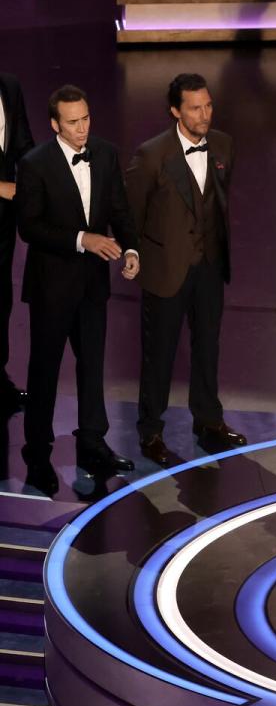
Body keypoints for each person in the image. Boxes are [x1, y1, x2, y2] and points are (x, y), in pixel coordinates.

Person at [16, 85, 139, 474]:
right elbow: (29, 227)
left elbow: (119, 210)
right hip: (51, 287)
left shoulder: (105, 154)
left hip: (91, 286)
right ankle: (37, 450)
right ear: (55, 124)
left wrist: (132, 250)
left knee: (92, 366)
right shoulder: (35, 163)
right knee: (45, 368)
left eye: (86, 118)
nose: (82, 128)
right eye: (73, 122)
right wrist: (83, 239)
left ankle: (92, 443)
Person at [126, 73, 246, 464]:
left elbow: (217, 201)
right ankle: (150, 433)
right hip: (167, 269)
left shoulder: (224, 144)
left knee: (207, 347)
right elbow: (131, 213)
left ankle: (209, 421)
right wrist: (137, 254)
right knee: (159, 355)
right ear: (176, 111)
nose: (205, 114)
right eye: (195, 107)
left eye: (208, 104)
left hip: (209, 265)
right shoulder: (152, 155)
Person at [0, 72, 34, 413]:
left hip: (4, 221)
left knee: (2, 298)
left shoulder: (10, 87)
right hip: (4, 197)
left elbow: (24, 145)